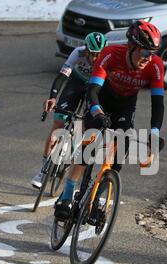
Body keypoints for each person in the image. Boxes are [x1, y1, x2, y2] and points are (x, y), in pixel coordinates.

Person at [54, 20, 166, 219]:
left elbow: (158, 103)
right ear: (131, 47)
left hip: (125, 105)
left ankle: (100, 197)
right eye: (144, 52)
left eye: (152, 53)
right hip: (101, 99)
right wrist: (97, 112)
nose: (148, 58)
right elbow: (92, 90)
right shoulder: (110, 54)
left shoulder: (155, 66)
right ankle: (68, 193)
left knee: (119, 151)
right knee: (90, 143)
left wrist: (154, 133)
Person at [31, 32, 108, 188]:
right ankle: (43, 170)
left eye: (98, 55)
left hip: (94, 88)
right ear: (85, 49)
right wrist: (53, 98)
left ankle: (76, 156)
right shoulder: (77, 53)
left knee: (88, 127)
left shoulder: (107, 59)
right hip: (75, 84)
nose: (94, 59)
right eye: (92, 54)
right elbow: (62, 77)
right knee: (58, 125)